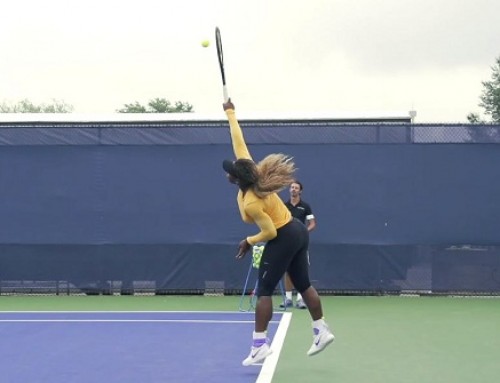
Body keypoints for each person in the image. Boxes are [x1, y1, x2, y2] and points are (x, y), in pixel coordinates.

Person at [221, 99, 334, 366]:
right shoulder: (250, 171)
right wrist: (230, 112)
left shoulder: (251, 200)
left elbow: (269, 232)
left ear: (237, 179)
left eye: (230, 172)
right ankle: (321, 329)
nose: (228, 173)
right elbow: (237, 139)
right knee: (303, 284)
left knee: (264, 290)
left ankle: (259, 344)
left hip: (282, 235)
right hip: (297, 232)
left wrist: (248, 241)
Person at [282, 180, 316, 309]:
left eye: (296, 188)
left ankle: (301, 299)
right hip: (287, 242)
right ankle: (288, 298)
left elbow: (312, 223)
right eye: (291, 187)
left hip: (301, 243)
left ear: (300, 191)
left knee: (302, 270)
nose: (293, 189)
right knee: (288, 270)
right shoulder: (284, 206)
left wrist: (303, 232)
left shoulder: (305, 207)